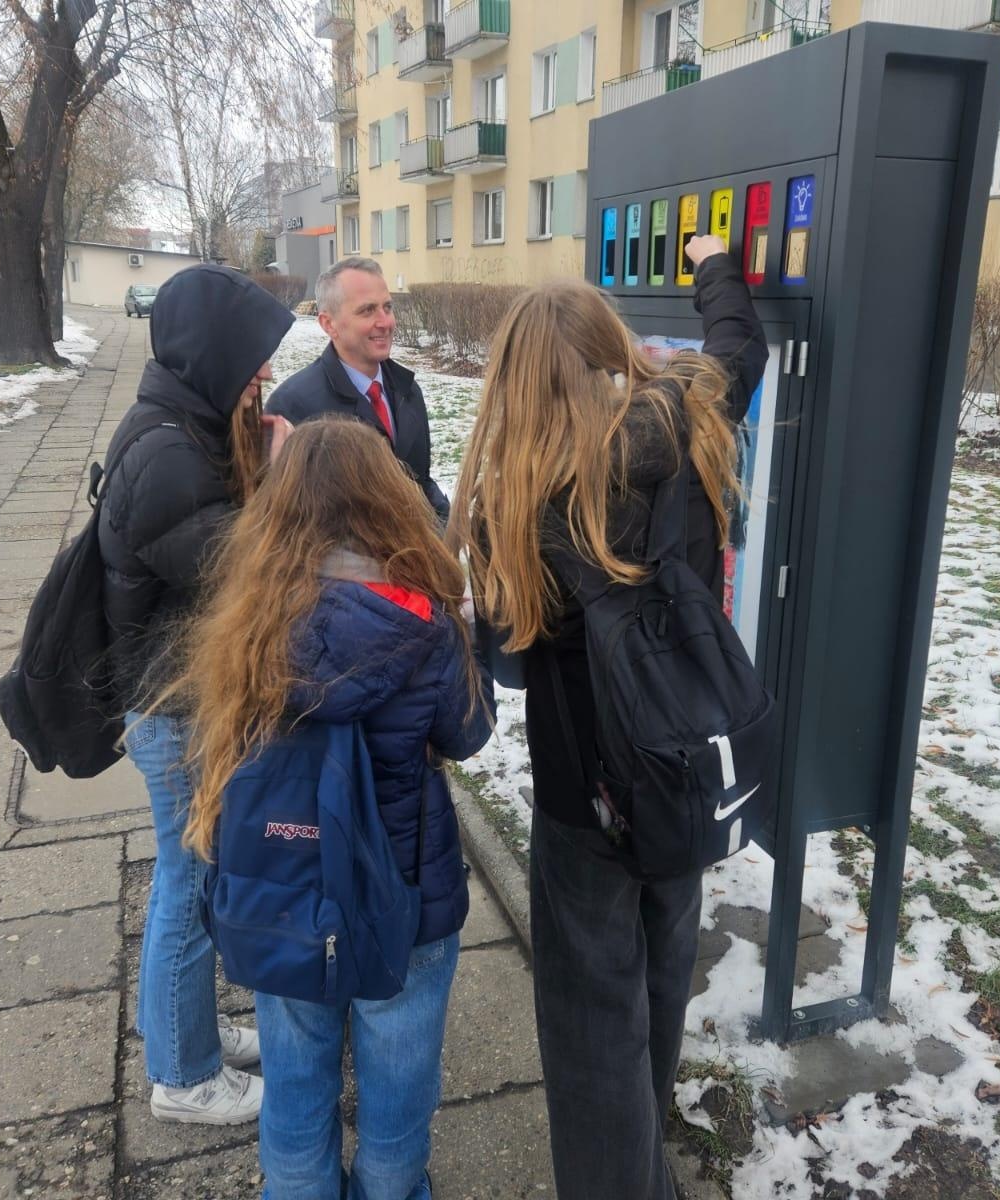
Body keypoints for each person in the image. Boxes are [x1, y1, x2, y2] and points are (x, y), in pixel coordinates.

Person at [446, 236, 767, 1199]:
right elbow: (738, 347)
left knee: (593, 1029)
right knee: (662, 989)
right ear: (613, 345)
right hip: (685, 768)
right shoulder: (692, 420)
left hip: (584, 799)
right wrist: (715, 264)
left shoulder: (524, 496)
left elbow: (506, 659)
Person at [164, 416, 493, 1199]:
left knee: (296, 1069)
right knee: (400, 1084)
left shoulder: (250, 620)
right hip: (406, 894)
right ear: (388, 497)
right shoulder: (425, 619)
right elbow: (468, 734)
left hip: (283, 889)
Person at [98, 263, 294, 1124]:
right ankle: (182, 1077)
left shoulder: (181, 427)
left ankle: (188, 1029)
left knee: (194, 880)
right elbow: (243, 575)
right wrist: (285, 479)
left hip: (178, 697)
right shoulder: (169, 454)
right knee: (189, 883)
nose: (261, 377)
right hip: (174, 709)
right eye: (250, 359)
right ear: (210, 353)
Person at [266, 257, 450, 521]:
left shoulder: (407, 390)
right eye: (367, 311)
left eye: (388, 307)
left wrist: (448, 532)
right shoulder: (292, 407)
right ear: (328, 324)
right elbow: (289, 523)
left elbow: (421, 483)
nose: (385, 322)